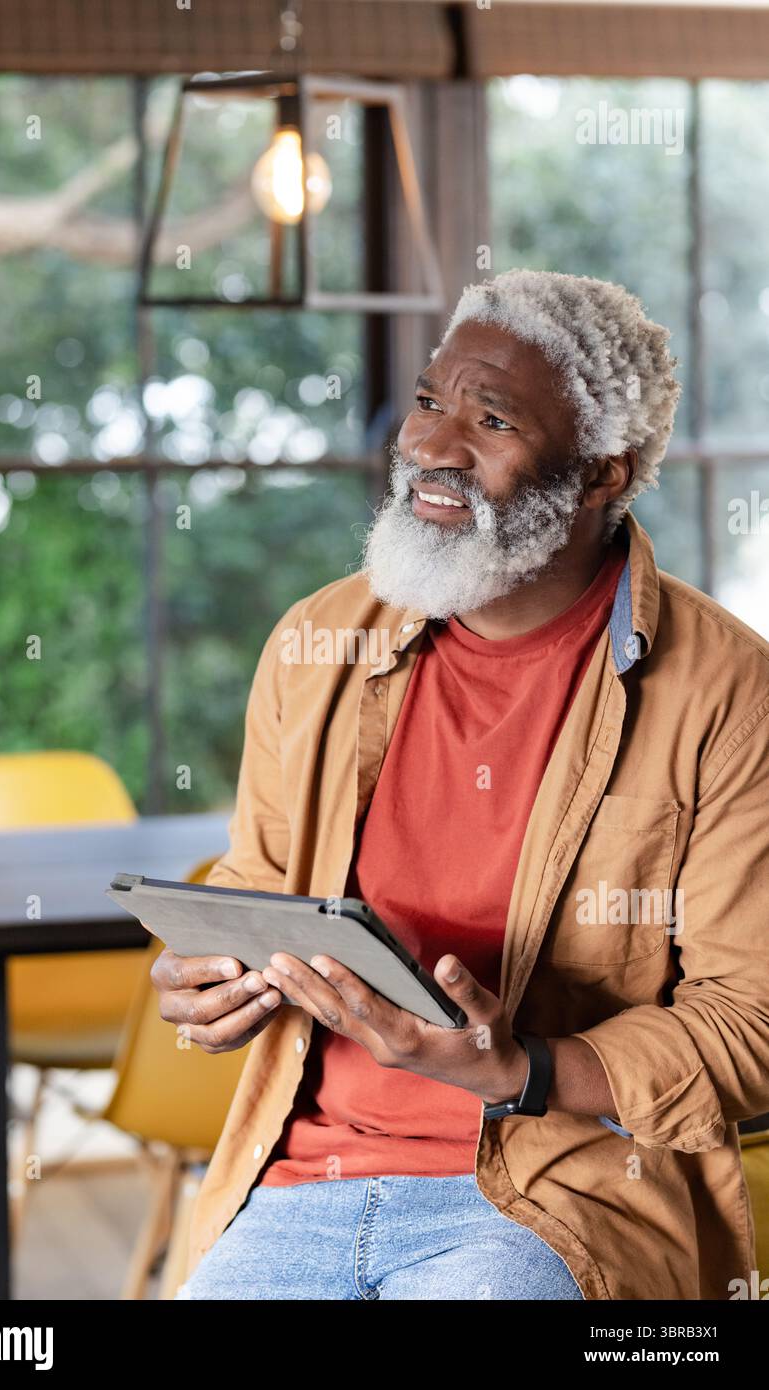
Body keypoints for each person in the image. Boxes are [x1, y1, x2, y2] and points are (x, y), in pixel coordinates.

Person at [153, 269, 769, 1301]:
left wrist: (518, 1067)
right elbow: (257, 893)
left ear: (603, 474)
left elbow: (748, 1023)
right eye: (432, 400)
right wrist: (210, 982)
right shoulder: (315, 643)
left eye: (491, 419)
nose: (434, 446)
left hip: (555, 1199)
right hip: (299, 1180)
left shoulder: (726, 691)